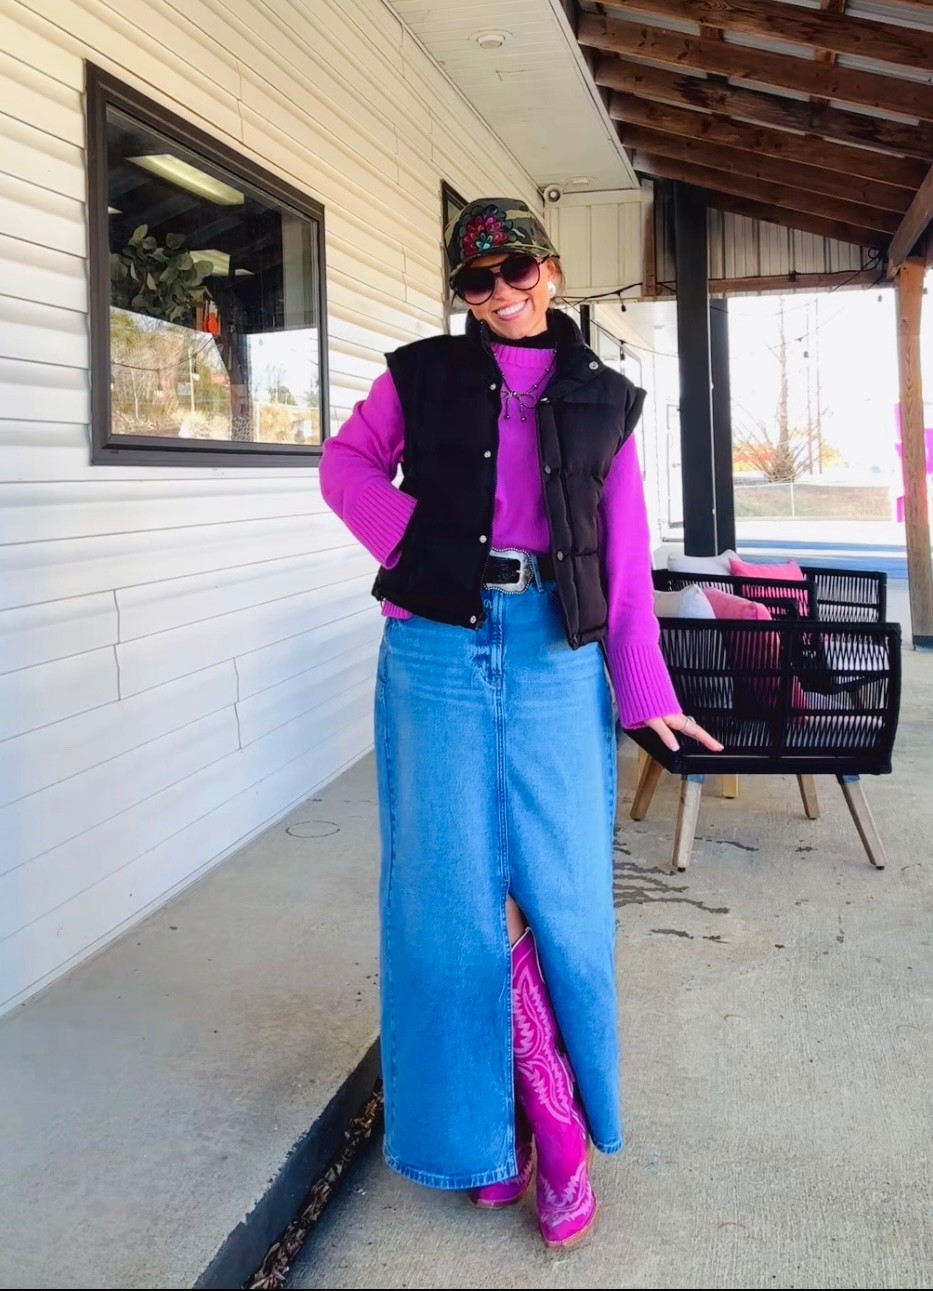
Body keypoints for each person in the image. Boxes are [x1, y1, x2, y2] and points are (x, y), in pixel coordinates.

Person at [319, 197, 721, 1249]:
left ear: (549, 270)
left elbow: (625, 561)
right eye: (475, 281)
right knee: (445, 893)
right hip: (437, 652)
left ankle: (557, 1111)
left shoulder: (606, 398)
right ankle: (483, 1140)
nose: (497, 294)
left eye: (512, 272)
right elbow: (344, 467)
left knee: (568, 890)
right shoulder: (421, 374)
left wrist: (649, 691)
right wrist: (420, 545)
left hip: (556, 652)